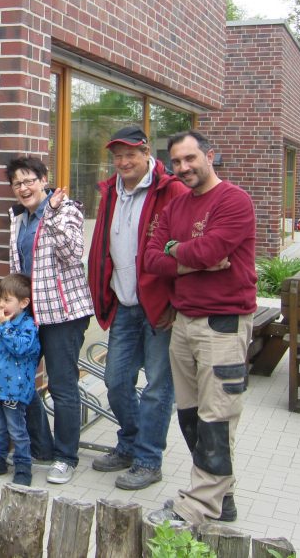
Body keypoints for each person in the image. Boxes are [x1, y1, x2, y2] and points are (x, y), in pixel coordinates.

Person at [144, 130, 256, 528]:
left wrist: (184, 253)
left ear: (210, 155)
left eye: (190, 158)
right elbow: (152, 258)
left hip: (222, 326)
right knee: (191, 417)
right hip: (184, 322)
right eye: (176, 162)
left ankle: (196, 507)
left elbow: (213, 249)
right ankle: (221, 498)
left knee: (216, 418)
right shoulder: (176, 207)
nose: (183, 168)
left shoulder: (234, 201)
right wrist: (187, 255)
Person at [87, 126, 189, 490]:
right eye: (117, 156)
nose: (123, 161)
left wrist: (176, 301)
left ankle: (148, 459)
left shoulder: (171, 190)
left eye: (130, 154)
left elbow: (186, 248)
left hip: (160, 307)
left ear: (146, 153)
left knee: (158, 388)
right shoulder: (110, 193)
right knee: (116, 382)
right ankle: (129, 442)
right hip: (126, 305)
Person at [7, 155, 93, 485]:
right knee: (21, 380)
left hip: (63, 313)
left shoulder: (66, 208)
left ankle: (66, 457)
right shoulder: (17, 218)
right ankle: (42, 446)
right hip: (30, 313)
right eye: (17, 183)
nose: (24, 187)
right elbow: (18, 267)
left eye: (30, 180)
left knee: (61, 385)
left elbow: (72, 253)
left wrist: (53, 215)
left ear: (44, 179)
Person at [0, 273, 40, 486]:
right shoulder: (0, 322)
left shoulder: (27, 326)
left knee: (17, 428)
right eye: (1, 299)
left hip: (14, 389)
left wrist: (5, 326)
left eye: (7, 300)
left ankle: (23, 465)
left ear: (24, 303)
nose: (2, 304)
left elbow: (20, 348)